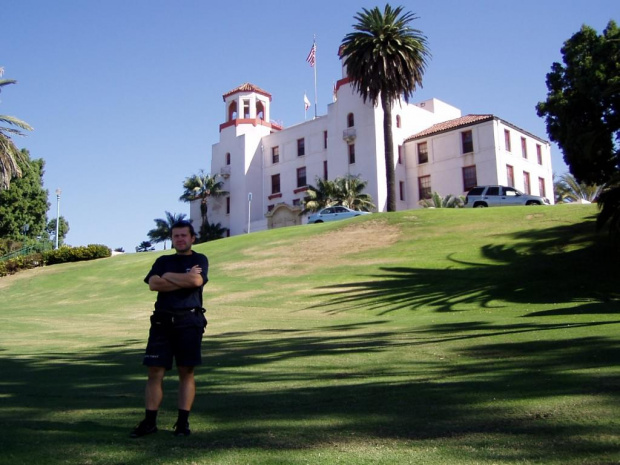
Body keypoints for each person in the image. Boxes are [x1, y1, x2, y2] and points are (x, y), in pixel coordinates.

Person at [130, 220, 208, 438]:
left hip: (189, 321)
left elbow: (195, 281)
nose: (180, 239)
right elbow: (154, 284)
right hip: (162, 322)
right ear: (172, 239)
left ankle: (182, 424)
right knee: (155, 371)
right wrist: (181, 278)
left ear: (192, 238)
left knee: (186, 371)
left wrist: (169, 277)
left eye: (184, 235)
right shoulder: (162, 260)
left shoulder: (199, 259)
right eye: (176, 236)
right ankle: (149, 422)